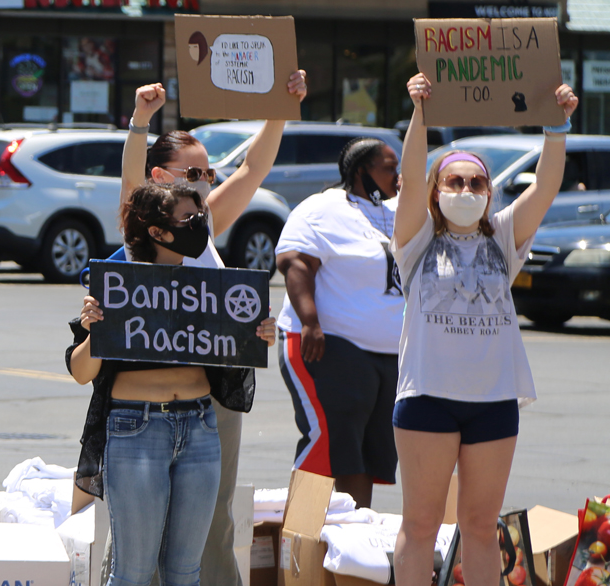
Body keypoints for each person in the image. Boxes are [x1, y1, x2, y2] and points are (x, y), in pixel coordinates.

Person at [106, 72, 306, 586]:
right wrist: (139, 123)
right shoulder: (142, 234)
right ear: (160, 174)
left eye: (208, 173)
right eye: (191, 171)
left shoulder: (206, 225)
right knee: (142, 529)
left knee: (212, 517)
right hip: (147, 402)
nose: (203, 180)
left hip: (210, 393)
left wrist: (281, 107)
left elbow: (255, 166)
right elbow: (131, 187)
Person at [391, 74, 578, 586]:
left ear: (491, 193)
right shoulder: (415, 240)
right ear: (436, 190)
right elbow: (408, 176)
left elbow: (546, 186)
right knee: (422, 524)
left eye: (477, 183)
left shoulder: (504, 236)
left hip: (494, 402)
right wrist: (420, 112)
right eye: (455, 182)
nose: (467, 190)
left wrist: (556, 127)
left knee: (478, 527)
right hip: (426, 396)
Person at [69, 182, 276, 586]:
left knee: (185, 573)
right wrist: (95, 330)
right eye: (189, 218)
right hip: (136, 430)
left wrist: (258, 334)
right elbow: (81, 372)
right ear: (157, 232)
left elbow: (232, 360)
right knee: (134, 572)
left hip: (199, 429)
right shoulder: (116, 285)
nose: (200, 225)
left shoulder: (211, 286)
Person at [274, 137, 404, 509]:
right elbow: (295, 263)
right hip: (328, 345)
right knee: (328, 442)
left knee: (363, 453)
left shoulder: (398, 211)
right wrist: (310, 322)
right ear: (362, 170)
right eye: (389, 167)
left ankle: (354, 543)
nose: (397, 176)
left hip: (388, 354)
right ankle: (298, 547)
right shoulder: (323, 207)